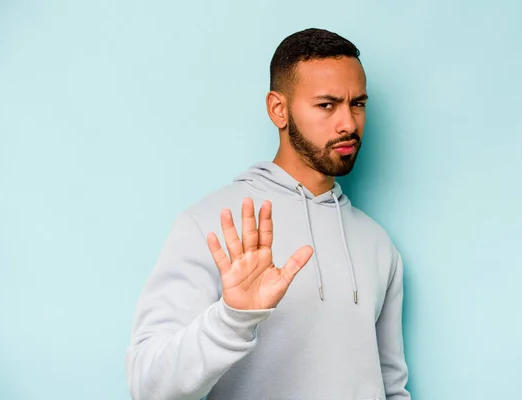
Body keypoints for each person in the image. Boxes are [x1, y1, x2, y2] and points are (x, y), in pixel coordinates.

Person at [125, 27, 410, 400]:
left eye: (357, 104)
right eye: (327, 105)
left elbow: (391, 387)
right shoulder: (211, 224)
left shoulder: (377, 243)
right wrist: (232, 318)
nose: (348, 124)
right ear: (279, 109)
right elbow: (148, 386)